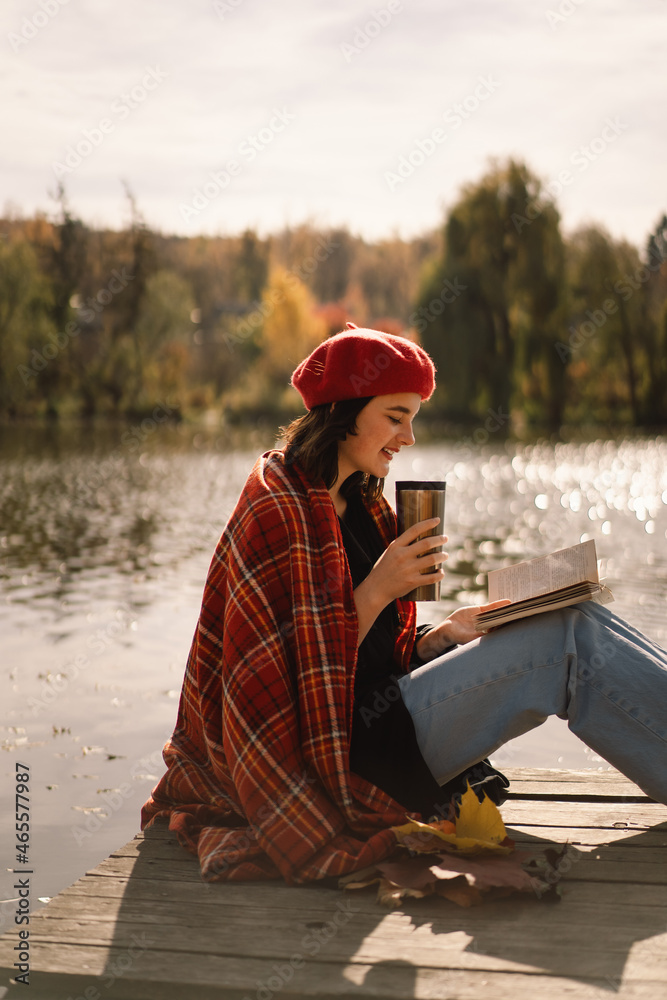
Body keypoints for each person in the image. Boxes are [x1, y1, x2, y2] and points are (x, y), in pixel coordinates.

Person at [141, 325, 667, 885]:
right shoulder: (277, 506)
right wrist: (379, 589)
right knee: (562, 645)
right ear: (343, 413)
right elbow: (285, 682)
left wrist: (438, 639)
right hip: (344, 754)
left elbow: (367, 651)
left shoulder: (362, 504)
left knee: (572, 615)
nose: (409, 436)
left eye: (412, 418)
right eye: (396, 417)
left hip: (384, 716)